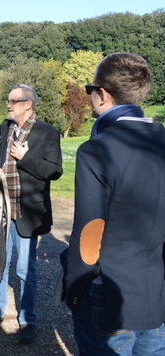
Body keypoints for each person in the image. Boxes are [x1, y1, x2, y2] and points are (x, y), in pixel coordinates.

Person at [60, 53, 165, 355]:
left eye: (90, 89)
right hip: (155, 289)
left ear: (103, 94)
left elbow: (90, 233)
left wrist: (76, 292)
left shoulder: (97, 150)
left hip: (108, 294)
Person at [0, 84, 63, 344]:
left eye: (14, 101)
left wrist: (25, 158)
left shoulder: (48, 132)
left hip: (28, 211)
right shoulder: (4, 128)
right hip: (1, 209)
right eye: (8, 100)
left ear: (28, 104)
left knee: (25, 270)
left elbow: (54, 170)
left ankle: (28, 319)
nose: (8, 104)